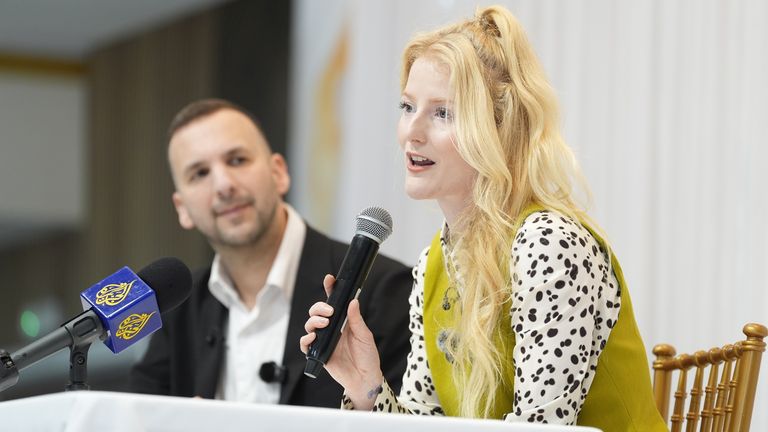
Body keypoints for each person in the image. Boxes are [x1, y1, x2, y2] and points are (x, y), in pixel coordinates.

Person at [301, 5, 668, 429]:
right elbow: (423, 422)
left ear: (498, 128)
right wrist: (366, 384)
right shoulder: (433, 265)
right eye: (407, 106)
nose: (412, 132)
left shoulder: (547, 244)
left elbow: (540, 427)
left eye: (442, 113)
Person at [130, 99, 413, 408]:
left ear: (278, 172)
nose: (224, 185)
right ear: (182, 209)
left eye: (237, 160)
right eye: (199, 173)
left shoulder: (385, 288)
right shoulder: (178, 308)